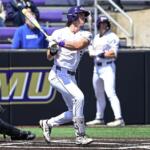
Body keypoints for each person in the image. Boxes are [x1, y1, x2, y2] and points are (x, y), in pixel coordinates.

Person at [39, 6, 93, 145]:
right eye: (81, 15)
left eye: (84, 16)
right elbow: (49, 57)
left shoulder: (86, 34)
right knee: (79, 97)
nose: (84, 18)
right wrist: (53, 48)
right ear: (72, 17)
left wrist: (60, 43)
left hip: (71, 76)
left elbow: (78, 45)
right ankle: (80, 136)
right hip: (58, 74)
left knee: (72, 112)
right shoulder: (58, 33)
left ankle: (48, 123)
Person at [86, 15, 125, 127]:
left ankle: (119, 118)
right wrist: (91, 48)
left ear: (108, 24)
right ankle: (99, 118)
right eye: (101, 23)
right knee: (98, 94)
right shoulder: (96, 37)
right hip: (96, 68)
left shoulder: (112, 36)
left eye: (105, 23)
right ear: (98, 25)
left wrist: (99, 53)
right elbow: (90, 53)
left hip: (107, 67)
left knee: (110, 93)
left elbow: (113, 54)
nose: (103, 25)